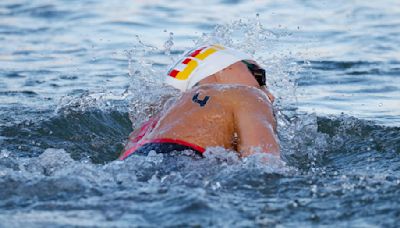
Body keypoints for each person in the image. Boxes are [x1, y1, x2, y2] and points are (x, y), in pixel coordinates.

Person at [119, 44, 279, 160]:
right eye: (259, 76)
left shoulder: (154, 121)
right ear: (225, 68)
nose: (269, 95)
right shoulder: (245, 94)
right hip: (184, 166)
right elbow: (266, 167)